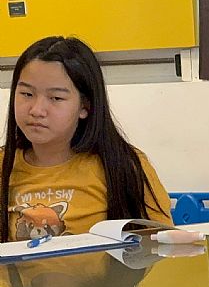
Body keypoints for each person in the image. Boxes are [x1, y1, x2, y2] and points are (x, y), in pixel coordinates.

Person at [1, 36, 172, 241]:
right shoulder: (4, 164)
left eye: (56, 98)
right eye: (27, 94)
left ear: (85, 106)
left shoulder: (123, 165)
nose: (36, 110)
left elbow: (162, 245)